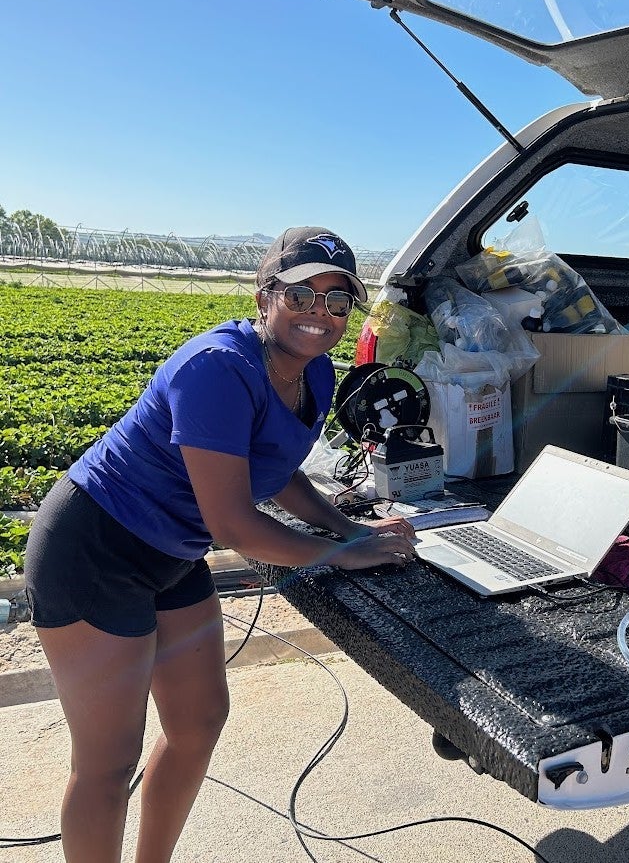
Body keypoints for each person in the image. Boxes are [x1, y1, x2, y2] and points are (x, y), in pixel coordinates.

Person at [23, 226, 417, 863]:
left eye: (337, 301)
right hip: (95, 547)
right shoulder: (218, 368)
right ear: (265, 298)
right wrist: (346, 555)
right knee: (109, 759)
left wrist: (349, 528)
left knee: (199, 720)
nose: (320, 314)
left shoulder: (314, 372)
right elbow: (235, 525)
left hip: (171, 552)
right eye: (301, 296)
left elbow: (278, 469)